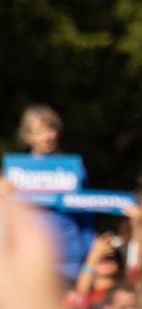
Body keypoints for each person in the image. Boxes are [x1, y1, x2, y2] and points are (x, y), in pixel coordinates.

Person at [15, 104, 96, 281]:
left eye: (49, 129)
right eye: (38, 132)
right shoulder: (16, 171)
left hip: (68, 257)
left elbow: (85, 212)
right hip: (30, 257)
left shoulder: (74, 168)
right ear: (27, 136)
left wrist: (89, 253)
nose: (46, 137)